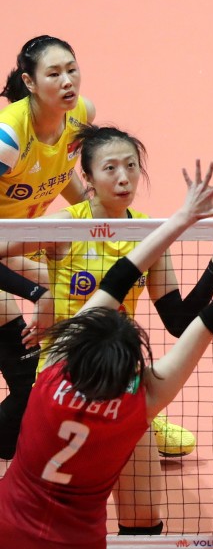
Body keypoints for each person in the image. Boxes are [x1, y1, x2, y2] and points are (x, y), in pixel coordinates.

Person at [0, 160, 213, 549]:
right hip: (78, 542)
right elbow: (209, 323)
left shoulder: (52, 372)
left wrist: (181, 219)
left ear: (75, 342)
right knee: (142, 514)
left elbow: (117, 279)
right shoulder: (140, 403)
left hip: (8, 530)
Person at [0, 125, 213, 535]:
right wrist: (39, 292)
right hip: (62, 377)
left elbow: (179, 322)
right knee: (53, 513)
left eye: (130, 166)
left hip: (120, 378)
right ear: (88, 178)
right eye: (110, 168)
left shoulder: (149, 232)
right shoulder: (65, 226)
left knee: (144, 517)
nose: (124, 178)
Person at [0, 35, 96, 459]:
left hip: (21, 243)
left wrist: (101, 221)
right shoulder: (8, 140)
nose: (67, 81)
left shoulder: (81, 115)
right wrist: (39, 290)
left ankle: (122, 399)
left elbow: (62, 170)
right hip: (5, 249)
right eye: (54, 74)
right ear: (30, 82)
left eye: (71, 69)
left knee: (94, 281)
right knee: (27, 383)